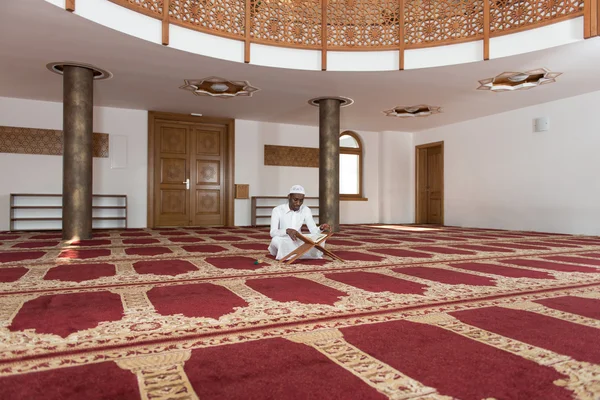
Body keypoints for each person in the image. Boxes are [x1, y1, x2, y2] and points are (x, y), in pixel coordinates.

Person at [268, 185, 331, 260]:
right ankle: (300, 253)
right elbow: (273, 232)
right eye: (295, 200)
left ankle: (294, 253)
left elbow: (313, 230)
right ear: (289, 197)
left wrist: (320, 228)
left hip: (298, 240)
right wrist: (287, 231)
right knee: (276, 240)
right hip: (283, 239)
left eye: (301, 200)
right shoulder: (277, 210)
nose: (298, 203)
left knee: (319, 240)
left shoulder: (305, 209)